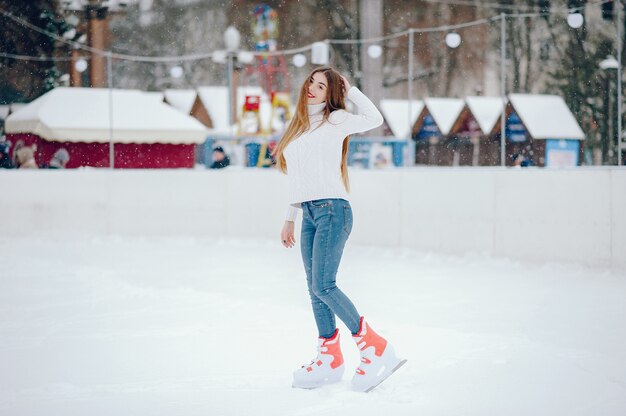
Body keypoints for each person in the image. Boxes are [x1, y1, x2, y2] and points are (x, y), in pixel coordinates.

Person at [272, 66, 406, 392]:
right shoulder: (302, 125)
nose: (313, 88)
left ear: (331, 92)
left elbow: (374, 118)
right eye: (311, 82)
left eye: (321, 85)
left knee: (324, 285)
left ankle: (374, 347)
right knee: (313, 287)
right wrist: (290, 216)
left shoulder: (336, 120)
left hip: (333, 209)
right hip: (309, 213)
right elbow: (298, 177)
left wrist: (351, 90)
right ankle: (330, 358)